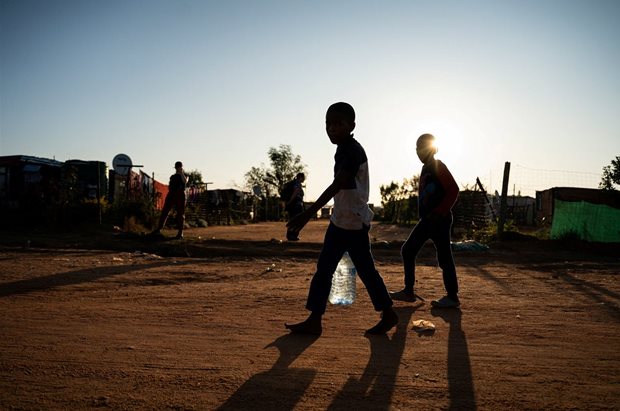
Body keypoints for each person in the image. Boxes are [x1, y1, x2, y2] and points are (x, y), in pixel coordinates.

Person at [285, 102, 398, 336]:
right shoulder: (343, 148)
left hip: (353, 223)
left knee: (362, 271)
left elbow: (339, 184)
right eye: (328, 123)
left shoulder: (352, 151)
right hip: (341, 219)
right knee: (326, 270)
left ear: (351, 125)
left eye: (338, 123)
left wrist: (308, 213)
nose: (332, 128)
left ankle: (388, 313)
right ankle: (315, 320)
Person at [390, 133, 461, 308]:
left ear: (431, 148)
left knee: (444, 257)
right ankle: (408, 291)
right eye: (416, 148)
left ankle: (452, 297)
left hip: (439, 220)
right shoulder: (425, 169)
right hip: (427, 221)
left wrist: (439, 212)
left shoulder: (438, 166)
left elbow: (453, 190)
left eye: (422, 147)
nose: (418, 151)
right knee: (408, 250)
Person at [152, 161, 188, 239]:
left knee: (180, 214)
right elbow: (170, 186)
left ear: (181, 167)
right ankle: (159, 229)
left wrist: (181, 173)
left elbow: (185, 181)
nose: (178, 168)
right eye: (177, 167)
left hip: (180, 194)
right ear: (175, 167)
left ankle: (180, 232)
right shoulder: (172, 176)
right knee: (165, 211)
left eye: (179, 167)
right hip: (171, 194)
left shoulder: (185, 176)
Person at [285, 172, 306, 241]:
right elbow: (295, 192)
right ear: (300, 177)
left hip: (292, 204)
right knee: (296, 220)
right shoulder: (297, 184)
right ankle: (292, 235)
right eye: (303, 177)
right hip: (296, 204)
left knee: (292, 219)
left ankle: (290, 235)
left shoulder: (293, 183)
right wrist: (290, 201)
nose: (304, 178)